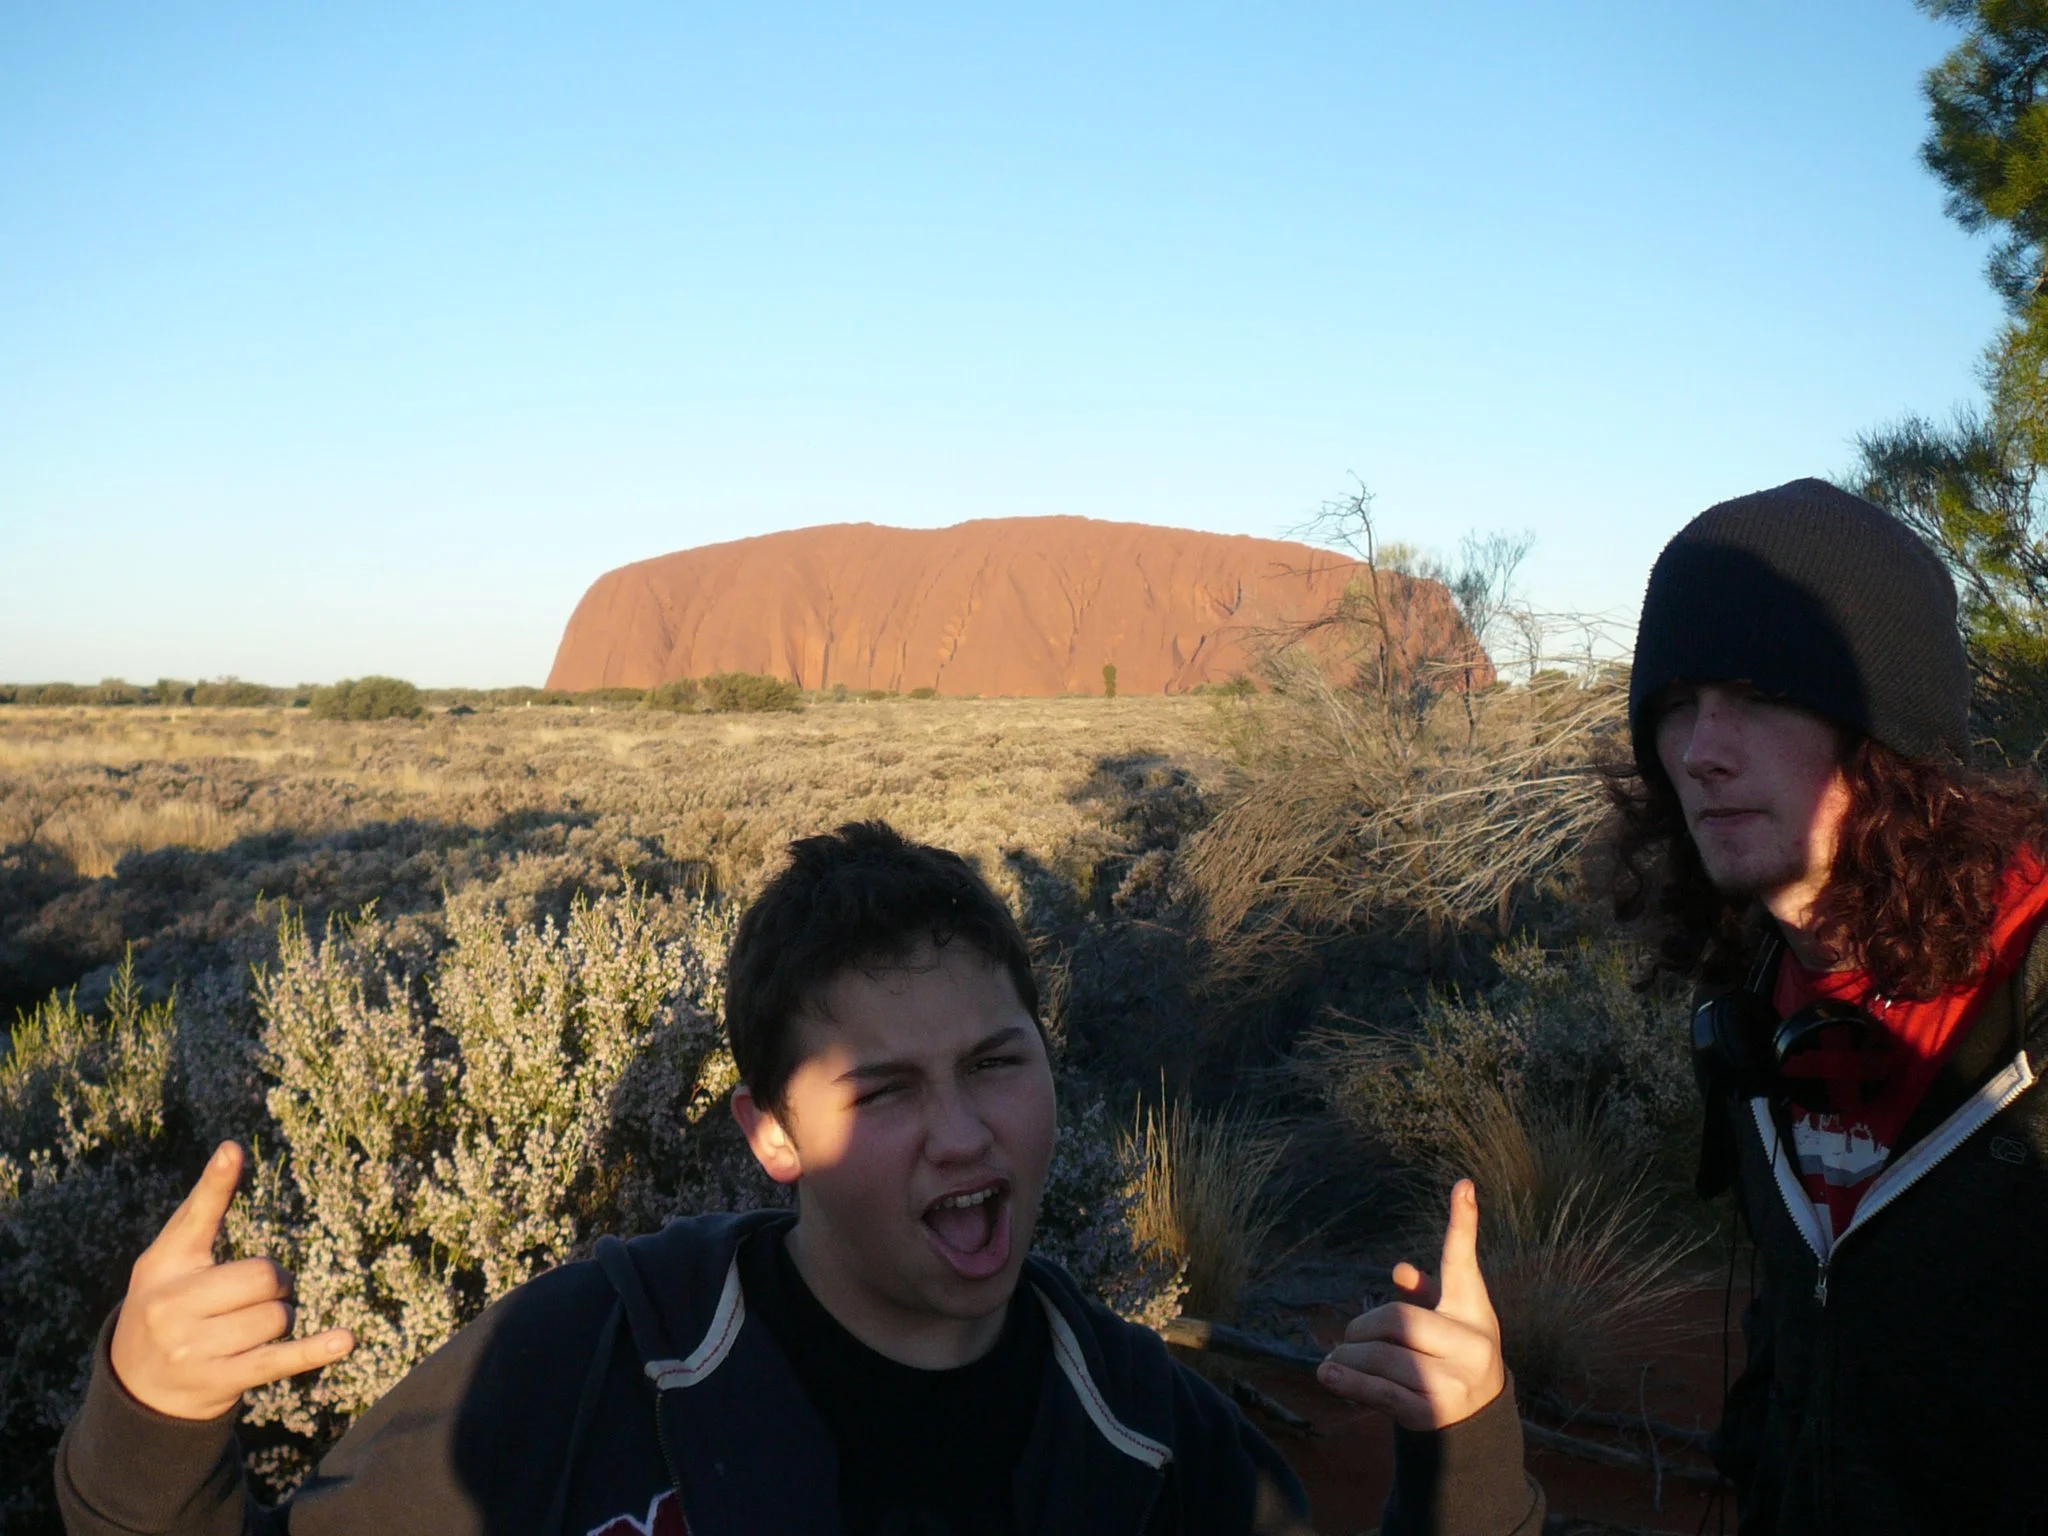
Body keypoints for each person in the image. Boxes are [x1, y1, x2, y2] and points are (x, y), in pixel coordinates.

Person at [56, 820, 1544, 1535]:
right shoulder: (588, 1361)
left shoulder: (1144, 1435)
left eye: (995, 1062)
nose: (962, 1133)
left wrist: (1467, 1459)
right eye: (884, 1091)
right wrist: (154, 1420)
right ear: (771, 1134)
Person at [1613, 479, 2048, 1534]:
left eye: (1757, 694)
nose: (1700, 751)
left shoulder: (2026, 1012)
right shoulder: (1751, 1018)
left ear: (1884, 733)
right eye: (1674, 706)